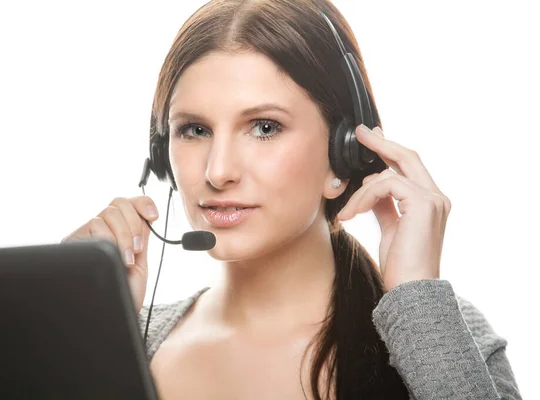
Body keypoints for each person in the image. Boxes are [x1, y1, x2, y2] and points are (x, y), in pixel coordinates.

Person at [62, 0, 521, 398]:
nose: (217, 171)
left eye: (264, 127)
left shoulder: (440, 336)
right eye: (195, 130)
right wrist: (80, 332)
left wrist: (417, 301)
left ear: (344, 154)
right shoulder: (133, 343)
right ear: (162, 153)